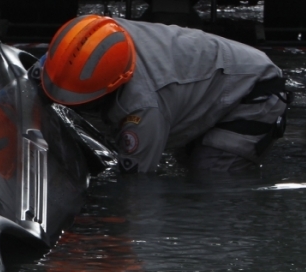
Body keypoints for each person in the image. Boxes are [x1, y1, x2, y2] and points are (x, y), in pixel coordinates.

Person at [38, 15, 289, 173]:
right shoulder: (87, 36)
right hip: (210, 79)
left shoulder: (142, 109)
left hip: (254, 90)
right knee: (185, 164)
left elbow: (135, 186)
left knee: (209, 178)